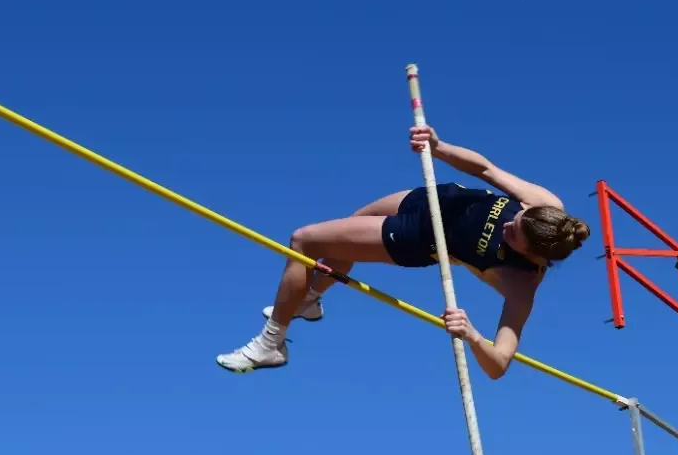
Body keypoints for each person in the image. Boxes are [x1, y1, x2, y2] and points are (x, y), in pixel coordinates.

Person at [217, 126, 592, 375]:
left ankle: (271, 344)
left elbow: (499, 365)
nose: (508, 224)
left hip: (417, 238)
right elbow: (486, 171)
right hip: (432, 195)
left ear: (531, 254)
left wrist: (473, 335)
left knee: (306, 240)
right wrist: (439, 146)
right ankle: (309, 299)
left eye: (512, 236)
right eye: (516, 217)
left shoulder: (521, 283)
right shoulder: (547, 205)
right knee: (344, 232)